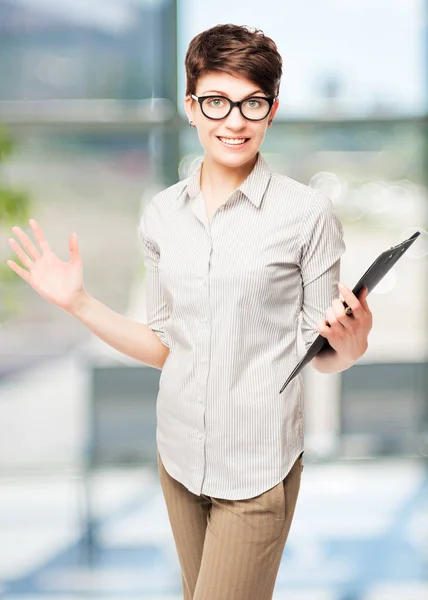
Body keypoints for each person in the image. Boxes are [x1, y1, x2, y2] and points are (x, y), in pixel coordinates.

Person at [6, 23, 373, 600]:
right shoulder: (161, 216)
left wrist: (351, 345)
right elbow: (163, 344)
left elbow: (318, 354)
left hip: (258, 467)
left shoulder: (308, 214)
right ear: (191, 106)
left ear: (272, 110)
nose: (234, 120)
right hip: (178, 457)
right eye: (217, 101)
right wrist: (78, 302)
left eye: (252, 102)